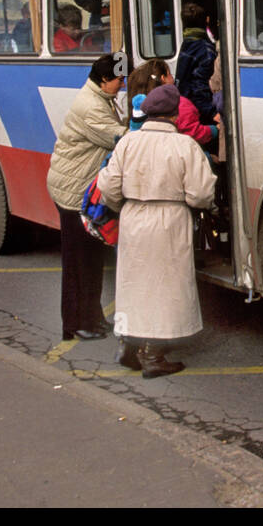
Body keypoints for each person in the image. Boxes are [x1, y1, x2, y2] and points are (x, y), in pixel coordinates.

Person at [98, 84, 216, 378]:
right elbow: (201, 194)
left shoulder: (128, 142)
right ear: (175, 115)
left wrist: (123, 204)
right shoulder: (185, 146)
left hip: (134, 216)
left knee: (135, 284)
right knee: (164, 288)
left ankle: (128, 344)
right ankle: (153, 356)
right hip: (170, 219)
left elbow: (108, 186)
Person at [46, 54, 127, 341]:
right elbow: (119, 137)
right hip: (72, 191)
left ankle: (91, 318)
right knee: (79, 263)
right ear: (105, 79)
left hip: (81, 188)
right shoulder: (91, 106)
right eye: (120, 79)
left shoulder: (100, 97)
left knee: (91, 259)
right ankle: (76, 323)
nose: (122, 84)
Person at [175, 2, 217, 119]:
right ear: (207, 21)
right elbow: (200, 87)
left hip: (184, 107)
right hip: (201, 112)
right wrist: (212, 113)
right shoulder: (206, 50)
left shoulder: (187, 43)